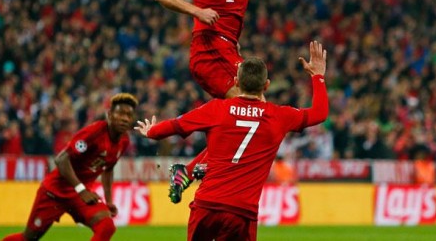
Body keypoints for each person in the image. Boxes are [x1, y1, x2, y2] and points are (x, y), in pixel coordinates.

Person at [135, 41, 328, 240]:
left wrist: (151, 132)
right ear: (267, 85)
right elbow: (320, 113)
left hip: (206, 205)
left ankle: (187, 172)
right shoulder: (279, 116)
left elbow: (174, 126)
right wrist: (318, 76)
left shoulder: (216, 109)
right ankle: (187, 172)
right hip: (242, 213)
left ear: (236, 82)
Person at [154, 0, 268, 204]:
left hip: (230, 51)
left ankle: (190, 170)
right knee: (249, 109)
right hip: (209, 52)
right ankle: (195, 169)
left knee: (258, 113)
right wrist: (197, 12)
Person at [2, 93, 139, 241]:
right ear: (110, 115)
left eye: (129, 115)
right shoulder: (93, 133)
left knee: (107, 227)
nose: (125, 118)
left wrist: (109, 200)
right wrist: (81, 189)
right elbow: (61, 159)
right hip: (54, 193)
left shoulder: (124, 141)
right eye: (120, 113)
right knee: (28, 238)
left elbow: (109, 168)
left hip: (80, 197)